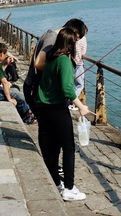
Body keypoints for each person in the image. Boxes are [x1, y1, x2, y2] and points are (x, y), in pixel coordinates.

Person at [35, 27, 89, 201]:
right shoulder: (64, 61)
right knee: (68, 148)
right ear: (72, 44)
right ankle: (69, 188)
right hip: (57, 109)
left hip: (42, 107)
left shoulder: (51, 56)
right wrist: (81, 106)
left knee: (50, 148)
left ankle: (57, 182)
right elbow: (67, 88)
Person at [23, 18, 87, 115]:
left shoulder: (50, 35)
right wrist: (61, 71)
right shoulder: (52, 39)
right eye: (76, 38)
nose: (75, 42)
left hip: (37, 88)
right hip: (36, 88)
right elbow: (38, 63)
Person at [0, 43, 35, 124]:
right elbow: (4, 82)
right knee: (19, 96)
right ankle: (27, 118)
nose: (5, 57)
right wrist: (9, 99)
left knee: (14, 91)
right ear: (1, 54)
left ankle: (25, 115)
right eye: (5, 55)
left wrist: (6, 64)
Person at [69, 24, 88, 111]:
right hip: (79, 63)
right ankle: (73, 102)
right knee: (80, 84)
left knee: (71, 83)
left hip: (71, 61)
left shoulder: (72, 38)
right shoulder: (82, 39)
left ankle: (71, 100)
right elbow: (83, 51)